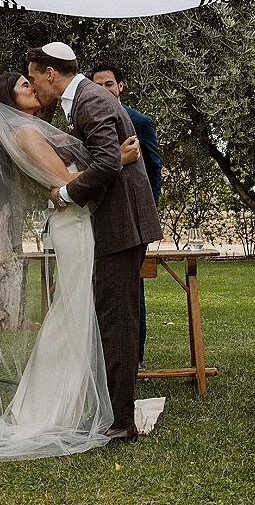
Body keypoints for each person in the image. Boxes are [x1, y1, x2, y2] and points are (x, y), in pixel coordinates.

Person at [0, 72, 143, 462]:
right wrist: (117, 158)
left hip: (80, 222)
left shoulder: (36, 127)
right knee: (72, 313)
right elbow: (66, 183)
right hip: (75, 225)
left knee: (76, 312)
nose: (32, 87)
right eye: (23, 86)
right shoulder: (26, 135)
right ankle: (48, 409)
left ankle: (76, 401)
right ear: (9, 102)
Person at [27, 43, 163, 442]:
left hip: (122, 225)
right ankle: (118, 413)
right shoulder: (86, 100)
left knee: (117, 319)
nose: (34, 86)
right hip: (118, 223)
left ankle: (123, 423)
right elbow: (107, 157)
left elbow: (107, 162)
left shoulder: (88, 99)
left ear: (51, 73)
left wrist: (65, 195)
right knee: (114, 315)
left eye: (35, 77)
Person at [91, 60, 161, 370]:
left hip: (132, 218)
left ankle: (136, 358)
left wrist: (146, 212)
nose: (103, 89)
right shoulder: (89, 119)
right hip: (98, 217)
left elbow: (153, 170)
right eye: (97, 85)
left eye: (108, 83)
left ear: (121, 86)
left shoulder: (140, 121)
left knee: (131, 290)